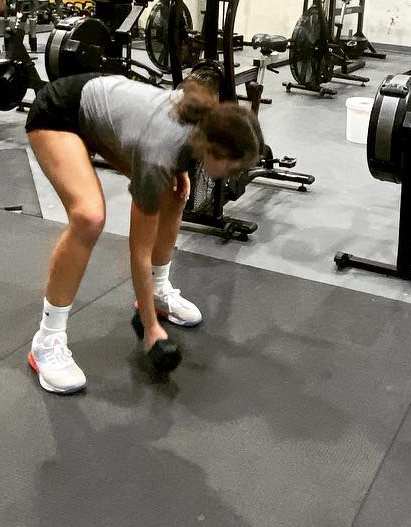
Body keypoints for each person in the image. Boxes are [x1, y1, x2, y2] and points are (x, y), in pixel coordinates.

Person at [24, 69, 261, 393]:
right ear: (214, 149)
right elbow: (139, 253)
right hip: (58, 112)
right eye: (234, 167)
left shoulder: (203, 124)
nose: (234, 174)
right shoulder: (160, 152)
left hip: (99, 111)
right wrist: (150, 329)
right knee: (89, 217)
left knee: (175, 193)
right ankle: (47, 341)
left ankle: (159, 291)